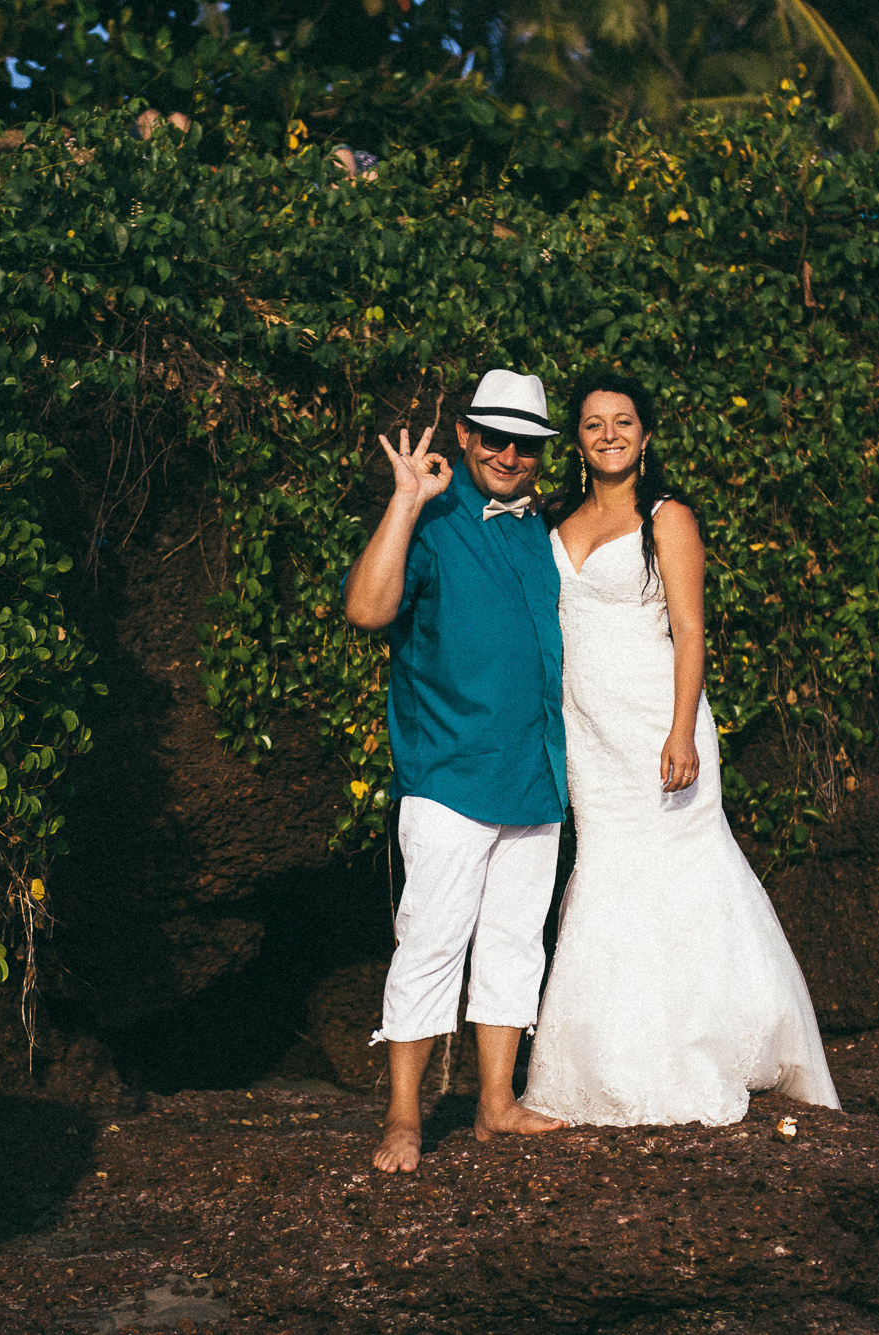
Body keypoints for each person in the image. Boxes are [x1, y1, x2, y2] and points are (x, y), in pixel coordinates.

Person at [520, 371, 840, 1127]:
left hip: (659, 722)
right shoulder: (553, 519)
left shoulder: (668, 517)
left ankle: (702, 1045)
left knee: (683, 872)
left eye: (622, 421)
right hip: (591, 732)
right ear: (576, 441)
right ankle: (611, 1057)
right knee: (607, 873)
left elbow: (692, 630)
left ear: (646, 434)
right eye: (593, 424)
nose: (608, 435)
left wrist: (680, 728)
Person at [342, 369, 571, 1172]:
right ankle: (403, 1118)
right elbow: (368, 610)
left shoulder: (542, 529)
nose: (511, 453)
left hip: (536, 776)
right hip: (446, 774)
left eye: (528, 442)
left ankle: (495, 1105)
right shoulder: (431, 521)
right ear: (467, 437)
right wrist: (405, 499)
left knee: (514, 943)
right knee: (431, 942)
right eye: (496, 436)